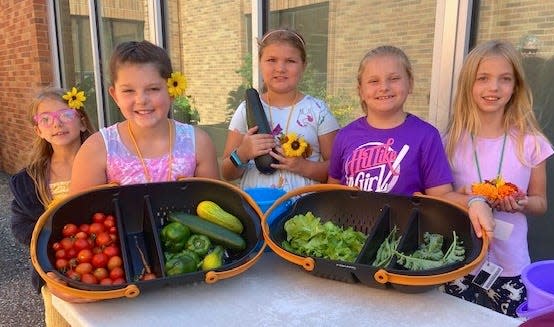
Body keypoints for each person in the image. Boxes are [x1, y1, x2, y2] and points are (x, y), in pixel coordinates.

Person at [327, 45, 493, 237]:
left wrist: (474, 202)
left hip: (401, 240)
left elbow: (441, 196)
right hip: (349, 236)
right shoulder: (345, 136)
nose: (384, 87)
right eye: (373, 81)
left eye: (394, 78)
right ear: (361, 91)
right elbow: (333, 191)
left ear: (410, 84)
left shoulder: (426, 136)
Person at [443, 40, 554, 317]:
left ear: (516, 86)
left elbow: (541, 203)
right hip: (460, 262)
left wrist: (523, 203)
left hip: (512, 265)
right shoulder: (449, 143)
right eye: (483, 78)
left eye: (505, 79)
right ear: (468, 84)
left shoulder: (531, 142)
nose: (494, 88)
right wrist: (470, 199)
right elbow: (440, 197)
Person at [70, 40, 219, 193]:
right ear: (115, 96)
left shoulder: (198, 144)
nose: (141, 100)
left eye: (153, 89)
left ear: (171, 91)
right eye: (128, 91)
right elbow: (79, 213)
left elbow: (214, 204)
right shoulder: (97, 149)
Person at [9, 87, 95, 326]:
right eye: (46, 119)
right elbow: (20, 225)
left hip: (102, 259)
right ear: (38, 130)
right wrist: (53, 241)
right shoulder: (30, 179)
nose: (57, 124)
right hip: (56, 267)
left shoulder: (105, 164)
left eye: (65, 115)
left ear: (82, 121)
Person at [222, 28, 339, 192]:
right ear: (260, 63)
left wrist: (303, 166)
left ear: (303, 66)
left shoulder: (318, 111)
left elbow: (337, 170)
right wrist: (243, 153)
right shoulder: (245, 110)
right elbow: (227, 173)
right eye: (271, 60)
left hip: (303, 210)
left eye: (290, 61)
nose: (280, 68)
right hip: (256, 209)